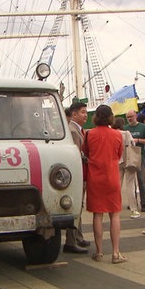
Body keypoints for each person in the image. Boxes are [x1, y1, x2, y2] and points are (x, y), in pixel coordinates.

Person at [84, 105, 126, 263]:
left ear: (95, 117)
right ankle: (116, 253)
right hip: (112, 177)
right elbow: (119, 154)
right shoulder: (117, 134)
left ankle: (99, 251)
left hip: (95, 178)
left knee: (98, 214)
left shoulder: (89, 134)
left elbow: (86, 153)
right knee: (115, 213)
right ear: (110, 117)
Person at [63, 101, 91, 254]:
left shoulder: (78, 129)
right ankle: (71, 240)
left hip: (81, 173)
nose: (85, 115)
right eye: (82, 112)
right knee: (76, 207)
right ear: (74, 114)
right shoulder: (73, 131)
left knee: (79, 207)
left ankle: (78, 237)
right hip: (77, 174)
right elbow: (76, 155)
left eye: (86, 112)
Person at [124, 110, 145, 212]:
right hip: (129, 156)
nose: (130, 119)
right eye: (128, 117)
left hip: (140, 156)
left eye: (131, 116)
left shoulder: (142, 127)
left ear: (135, 116)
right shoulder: (125, 129)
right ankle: (133, 202)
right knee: (131, 181)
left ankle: (143, 203)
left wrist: (138, 140)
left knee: (141, 180)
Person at [113, 117, 140, 219]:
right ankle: (134, 209)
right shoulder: (126, 133)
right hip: (129, 161)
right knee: (130, 186)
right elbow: (132, 144)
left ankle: (114, 206)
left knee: (117, 185)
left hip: (117, 161)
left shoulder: (112, 133)